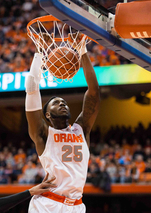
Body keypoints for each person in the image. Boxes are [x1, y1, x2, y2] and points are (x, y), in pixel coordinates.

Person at [25, 34, 100, 212]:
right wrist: (39, 53)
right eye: (56, 102)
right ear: (48, 115)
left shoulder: (81, 129)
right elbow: (31, 89)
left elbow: (94, 92)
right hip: (48, 204)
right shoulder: (43, 134)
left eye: (64, 102)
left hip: (77, 205)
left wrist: (82, 51)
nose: (62, 103)